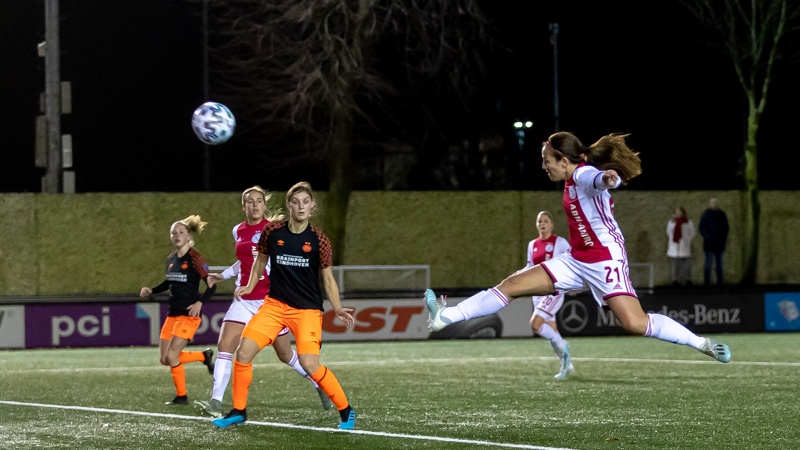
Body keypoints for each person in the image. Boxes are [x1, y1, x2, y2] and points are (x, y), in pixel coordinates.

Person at [424, 132, 731, 368]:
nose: (544, 166)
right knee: (512, 285)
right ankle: (445, 318)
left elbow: (595, 180)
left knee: (635, 324)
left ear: (564, 160)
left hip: (605, 259)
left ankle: (702, 343)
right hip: (576, 259)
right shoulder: (572, 179)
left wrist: (607, 177)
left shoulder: (582, 174)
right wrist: (605, 177)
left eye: (547, 160)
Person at [212, 182, 358, 430]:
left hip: (306, 311)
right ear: (289, 205)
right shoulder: (273, 232)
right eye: (296, 202)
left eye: (306, 202)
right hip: (274, 306)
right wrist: (248, 286)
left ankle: (346, 411)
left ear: (312, 207)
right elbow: (259, 261)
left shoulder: (319, 240)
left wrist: (338, 307)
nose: (301, 206)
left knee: (310, 364)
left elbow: (328, 278)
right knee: (243, 353)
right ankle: (238, 410)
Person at [194, 186, 332, 419]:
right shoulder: (238, 230)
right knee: (225, 345)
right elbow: (244, 260)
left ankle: (320, 384)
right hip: (245, 299)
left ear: (265, 205)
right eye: (250, 201)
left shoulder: (274, 229)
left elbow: (273, 259)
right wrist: (224, 275)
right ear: (244, 206)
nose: (255, 205)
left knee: (286, 355)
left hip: (271, 300)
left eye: (259, 201)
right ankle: (216, 402)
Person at [140, 215, 217, 405]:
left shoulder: (196, 258)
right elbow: (169, 282)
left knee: (172, 356)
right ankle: (203, 356)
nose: (177, 235)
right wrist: (152, 290)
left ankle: (182, 396)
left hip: (188, 315)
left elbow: (211, 285)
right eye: (173, 232)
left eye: (181, 232)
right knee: (164, 359)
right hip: (172, 314)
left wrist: (200, 303)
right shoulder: (171, 259)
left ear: (188, 235)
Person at [522, 211, 574, 378]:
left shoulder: (559, 242)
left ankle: (564, 345)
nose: (542, 224)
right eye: (539, 221)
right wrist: (517, 276)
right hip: (537, 293)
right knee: (552, 334)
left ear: (552, 224)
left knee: (535, 325)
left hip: (553, 291)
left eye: (546, 221)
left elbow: (574, 259)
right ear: (536, 225)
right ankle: (566, 365)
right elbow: (529, 267)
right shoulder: (532, 244)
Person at [699, 198, 728, 286]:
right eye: (712, 202)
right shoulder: (706, 215)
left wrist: (722, 239)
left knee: (719, 265)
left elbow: (726, 228)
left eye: (715, 202)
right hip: (709, 243)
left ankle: (720, 282)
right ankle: (707, 282)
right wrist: (709, 237)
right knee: (708, 264)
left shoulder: (721, 215)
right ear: (710, 203)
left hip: (719, 243)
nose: (714, 204)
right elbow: (701, 228)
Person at [666, 207, 695, 286]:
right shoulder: (672, 222)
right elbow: (669, 233)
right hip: (675, 246)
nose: (678, 213)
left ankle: (688, 279)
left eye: (679, 211)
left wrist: (686, 239)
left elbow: (692, 233)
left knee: (686, 264)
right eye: (677, 211)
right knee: (675, 265)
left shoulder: (688, 222)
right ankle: (675, 279)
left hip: (684, 245)